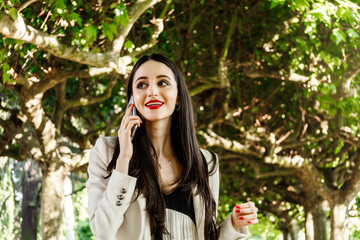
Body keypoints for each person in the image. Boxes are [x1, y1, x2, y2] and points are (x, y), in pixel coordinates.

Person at [86, 53, 258, 240]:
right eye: (142, 84)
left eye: (162, 83)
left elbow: (206, 235)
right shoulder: (107, 152)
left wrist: (234, 223)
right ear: (132, 100)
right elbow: (103, 232)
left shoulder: (206, 162)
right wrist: (124, 160)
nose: (152, 91)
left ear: (177, 97)